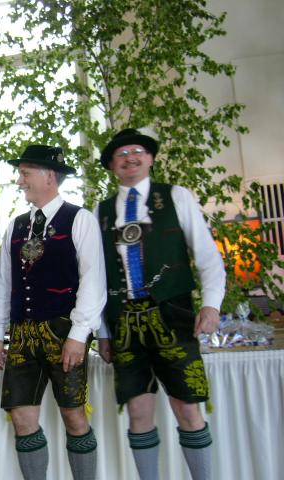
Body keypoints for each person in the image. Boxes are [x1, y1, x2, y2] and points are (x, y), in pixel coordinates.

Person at [96, 128, 225, 480]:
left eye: (137, 151)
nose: (130, 158)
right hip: (123, 321)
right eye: (121, 154)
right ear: (112, 166)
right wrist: (103, 331)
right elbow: (98, 279)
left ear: (151, 158)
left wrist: (211, 304)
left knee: (187, 407)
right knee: (138, 412)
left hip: (173, 313)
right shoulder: (101, 211)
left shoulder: (176, 196)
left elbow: (208, 256)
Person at [0, 145, 106, 480]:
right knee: (21, 418)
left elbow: (93, 281)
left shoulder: (79, 219)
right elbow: (2, 283)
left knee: (74, 416)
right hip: (22, 334)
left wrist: (79, 335)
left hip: (64, 332)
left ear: (49, 176)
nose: (19, 181)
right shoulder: (16, 226)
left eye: (25, 173)